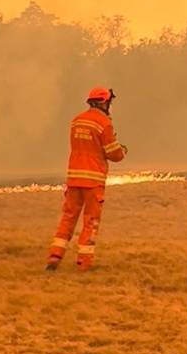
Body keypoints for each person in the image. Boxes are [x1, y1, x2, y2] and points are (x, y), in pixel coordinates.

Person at [45, 88, 127, 272]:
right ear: (104, 102)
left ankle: (54, 257)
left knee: (67, 218)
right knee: (91, 222)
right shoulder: (104, 123)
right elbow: (113, 153)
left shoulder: (77, 120)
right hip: (93, 181)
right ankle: (84, 263)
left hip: (74, 178)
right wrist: (123, 151)